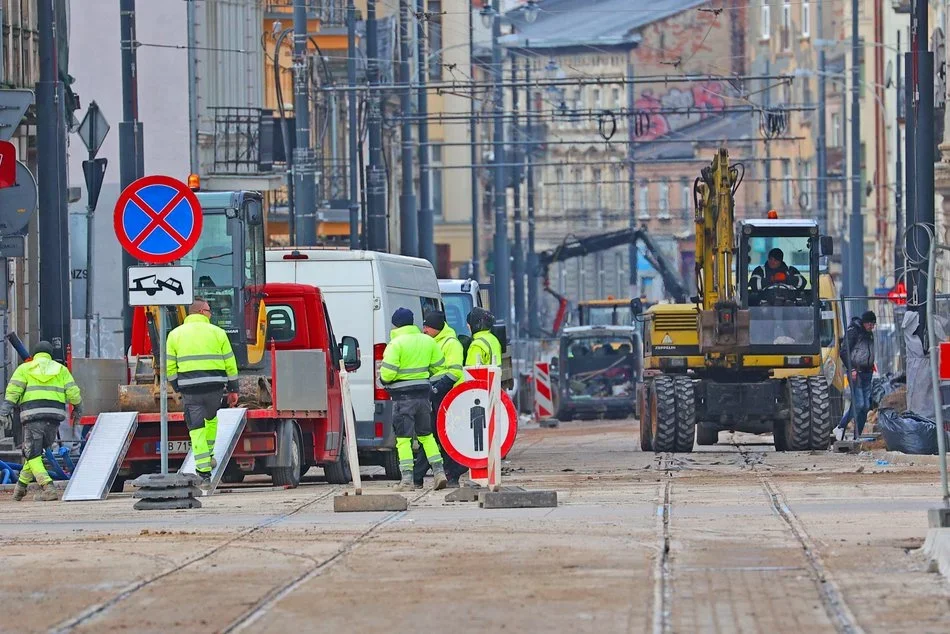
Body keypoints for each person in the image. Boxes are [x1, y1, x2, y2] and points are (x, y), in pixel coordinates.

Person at [166, 298, 240, 489]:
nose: (211, 314)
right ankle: (208, 457)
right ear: (200, 312)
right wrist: (233, 389)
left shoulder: (174, 335)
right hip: (214, 387)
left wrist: (176, 385)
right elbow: (230, 364)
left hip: (190, 389)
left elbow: (170, 366)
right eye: (208, 310)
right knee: (211, 420)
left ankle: (203, 471)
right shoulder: (218, 333)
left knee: (196, 428)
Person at [0, 341, 82, 502]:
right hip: (54, 417)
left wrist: (4, 413)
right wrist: (78, 408)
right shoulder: (61, 369)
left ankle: (48, 487)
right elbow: (73, 392)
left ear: (35, 354)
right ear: (50, 354)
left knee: (32, 454)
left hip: (33, 416)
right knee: (35, 454)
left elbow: (13, 392)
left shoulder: (25, 368)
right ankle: (19, 490)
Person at [380, 308, 448, 492]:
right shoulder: (427, 341)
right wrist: (428, 382)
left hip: (403, 399)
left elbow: (387, 374)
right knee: (427, 436)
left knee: (403, 439)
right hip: (424, 397)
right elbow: (441, 368)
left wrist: (386, 380)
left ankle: (407, 480)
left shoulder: (396, 344)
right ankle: (439, 472)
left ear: (395, 324)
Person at [414, 311, 465, 488]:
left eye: (427, 326)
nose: (424, 329)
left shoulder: (451, 344)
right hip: (437, 395)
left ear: (436, 327)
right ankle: (441, 474)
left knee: (439, 435)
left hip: (448, 396)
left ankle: (448, 473)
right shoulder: (431, 341)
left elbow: (455, 372)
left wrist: (437, 388)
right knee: (435, 435)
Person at [835, 310, 876, 440]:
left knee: (865, 407)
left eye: (873, 324)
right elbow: (844, 352)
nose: (872, 327)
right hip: (856, 373)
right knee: (859, 404)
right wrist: (851, 368)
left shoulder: (869, 334)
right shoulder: (854, 332)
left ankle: (856, 435)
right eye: (870, 324)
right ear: (864, 323)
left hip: (867, 373)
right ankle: (840, 427)